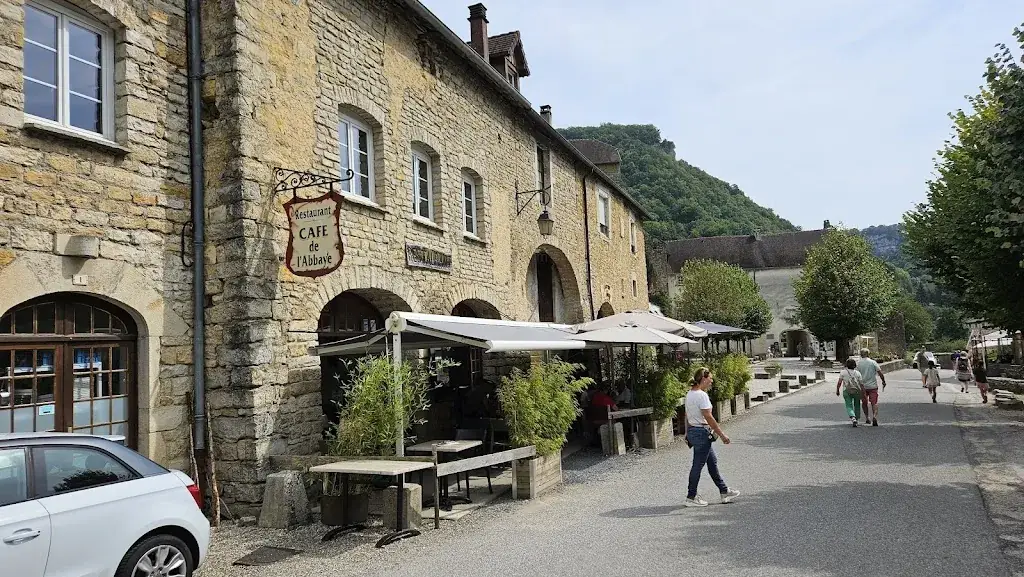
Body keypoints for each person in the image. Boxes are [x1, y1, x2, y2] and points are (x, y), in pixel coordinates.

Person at [684, 367, 740, 507]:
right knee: (698, 465)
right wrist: (722, 435)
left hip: (694, 431)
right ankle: (691, 496)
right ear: (703, 379)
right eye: (710, 378)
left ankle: (724, 491)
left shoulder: (690, 394)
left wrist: (687, 432)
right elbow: (708, 417)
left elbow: (687, 415)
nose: (711, 381)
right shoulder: (701, 396)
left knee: (712, 462)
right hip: (702, 432)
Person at [856, 349, 887, 426]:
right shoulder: (873, 362)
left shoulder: (858, 363)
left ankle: (867, 418)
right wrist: (883, 381)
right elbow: (880, 373)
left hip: (862, 386)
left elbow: (855, 374)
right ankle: (875, 416)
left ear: (860, 354)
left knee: (864, 402)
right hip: (873, 386)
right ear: (868, 354)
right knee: (874, 402)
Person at [836, 358, 863, 427]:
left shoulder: (843, 372)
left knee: (848, 405)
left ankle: (852, 417)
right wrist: (863, 392)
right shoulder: (858, 373)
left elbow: (839, 382)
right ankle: (856, 418)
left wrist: (837, 390)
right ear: (854, 365)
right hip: (856, 391)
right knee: (857, 404)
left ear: (846, 365)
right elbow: (861, 384)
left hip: (846, 390)